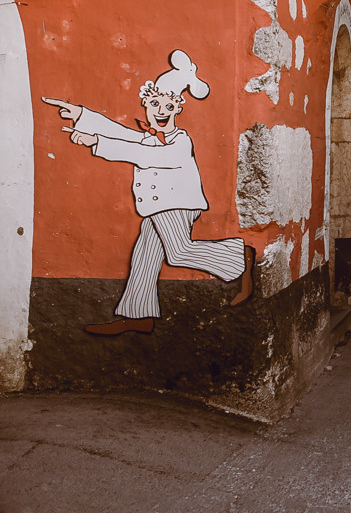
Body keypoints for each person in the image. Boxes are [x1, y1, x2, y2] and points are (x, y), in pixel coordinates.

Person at [43, 49, 253, 336]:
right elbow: (119, 132)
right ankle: (138, 316)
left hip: (177, 204)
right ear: (146, 105)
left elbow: (147, 155)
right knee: (145, 255)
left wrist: (97, 142)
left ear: (178, 109)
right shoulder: (147, 137)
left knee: (178, 253)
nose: (161, 111)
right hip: (156, 207)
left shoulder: (180, 141)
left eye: (168, 106)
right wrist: (81, 115)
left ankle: (240, 256)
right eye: (155, 104)